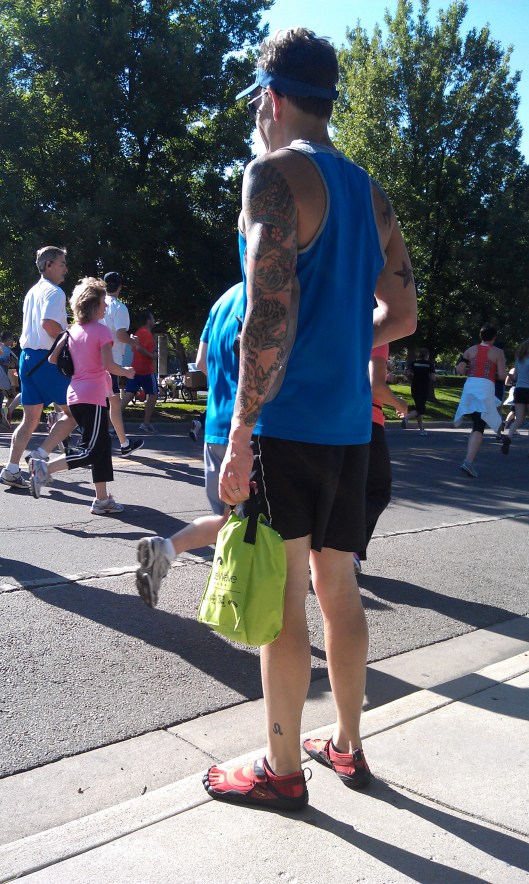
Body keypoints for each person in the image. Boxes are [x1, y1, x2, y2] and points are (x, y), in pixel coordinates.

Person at [201, 28, 416, 812]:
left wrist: (239, 432)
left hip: (284, 424)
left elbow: (267, 310)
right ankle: (348, 746)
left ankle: (282, 767)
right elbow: (402, 313)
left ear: (272, 95)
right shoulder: (369, 191)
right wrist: (340, 339)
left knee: (282, 599)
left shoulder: (271, 175)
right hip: (349, 428)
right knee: (340, 589)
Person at [136, 282, 244, 607]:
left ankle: (165, 550)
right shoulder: (280, 289)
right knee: (268, 526)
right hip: (255, 427)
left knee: (229, 518)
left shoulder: (223, 301)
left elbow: (201, 362)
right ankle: (248, 600)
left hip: (217, 425)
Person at [27, 277, 135, 513]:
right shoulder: (102, 331)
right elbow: (109, 364)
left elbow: (54, 359)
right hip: (93, 398)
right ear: (94, 306)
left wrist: (79, 365)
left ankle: (102, 499)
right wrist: (126, 370)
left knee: (103, 449)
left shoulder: (72, 330)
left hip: (75, 394)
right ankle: (43, 468)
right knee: (90, 451)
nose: (106, 306)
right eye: (103, 303)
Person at [0, 247, 76, 489]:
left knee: (30, 419)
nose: (66, 268)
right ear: (48, 265)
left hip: (28, 359)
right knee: (74, 413)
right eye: (62, 263)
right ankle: (40, 456)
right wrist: (71, 335)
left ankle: (11, 470)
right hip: (47, 360)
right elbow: (49, 325)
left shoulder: (33, 291)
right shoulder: (55, 292)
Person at [353, 345, 408, 575]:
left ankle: (338, 551)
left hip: (336, 415)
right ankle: (344, 549)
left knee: (347, 488)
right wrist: (399, 404)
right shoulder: (377, 333)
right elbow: (376, 385)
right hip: (367, 419)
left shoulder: (341, 323)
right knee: (378, 491)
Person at [100, 272, 144, 457]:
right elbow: (120, 335)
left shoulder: (96, 304)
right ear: (120, 286)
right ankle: (124, 444)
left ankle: (84, 435)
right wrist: (133, 341)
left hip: (92, 358)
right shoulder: (119, 308)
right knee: (113, 403)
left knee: (101, 402)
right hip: (111, 361)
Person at [454, 324, 506, 477]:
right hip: (485, 386)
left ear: (481, 336)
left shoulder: (470, 350)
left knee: (477, 422)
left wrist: (472, 371)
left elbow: (460, 369)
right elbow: (502, 376)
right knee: (479, 425)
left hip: (470, 386)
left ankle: (468, 460)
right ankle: (468, 462)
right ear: (494, 337)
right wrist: (491, 373)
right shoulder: (497, 352)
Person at [121, 310, 158, 433]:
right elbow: (139, 348)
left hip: (135, 369)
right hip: (146, 370)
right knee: (153, 394)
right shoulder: (146, 333)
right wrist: (152, 356)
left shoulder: (138, 333)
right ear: (148, 320)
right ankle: (146, 423)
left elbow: (135, 347)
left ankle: (111, 421)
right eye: (152, 318)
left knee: (128, 395)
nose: (154, 320)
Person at [499, 338, 529, 454]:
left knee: (519, 419)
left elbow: (514, 377)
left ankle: (509, 437)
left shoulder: (519, 360)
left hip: (519, 390)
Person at [401, 347, 435, 436]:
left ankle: (421, 429)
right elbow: (432, 378)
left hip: (415, 387)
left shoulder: (414, 363)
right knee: (421, 408)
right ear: (427, 355)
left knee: (418, 407)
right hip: (424, 387)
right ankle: (406, 417)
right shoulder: (429, 365)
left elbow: (407, 373)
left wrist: (411, 376)